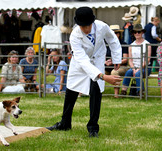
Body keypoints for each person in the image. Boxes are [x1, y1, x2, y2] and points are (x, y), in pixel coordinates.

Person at [46, 7, 122, 138]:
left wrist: (116, 58)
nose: (86, 29)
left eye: (87, 26)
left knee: (95, 92)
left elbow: (113, 40)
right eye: (82, 26)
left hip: (97, 60)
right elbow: (83, 60)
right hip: (80, 65)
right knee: (71, 91)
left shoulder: (102, 26)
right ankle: (65, 123)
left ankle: (93, 127)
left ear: (92, 22)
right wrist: (103, 77)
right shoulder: (75, 35)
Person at [121, 24, 152, 96]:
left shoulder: (147, 44)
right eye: (135, 32)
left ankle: (140, 91)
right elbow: (130, 60)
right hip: (134, 66)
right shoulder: (131, 45)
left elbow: (147, 60)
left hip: (145, 67)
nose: (137, 33)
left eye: (139, 32)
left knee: (138, 73)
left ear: (142, 33)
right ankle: (123, 91)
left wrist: (139, 68)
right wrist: (134, 68)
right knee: (128, 72)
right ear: (133, 33)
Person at [109, 25, 129, 98]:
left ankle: (116, 94)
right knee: (96, 71)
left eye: (117, 33)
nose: (115, 35)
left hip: (121, 66)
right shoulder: (106, 44)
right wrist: (106, 61)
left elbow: (125, 59)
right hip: (107, 66)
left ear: (119, 34)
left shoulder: (124, 44)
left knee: (115, 72)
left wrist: (116, 62)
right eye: (113, 33)